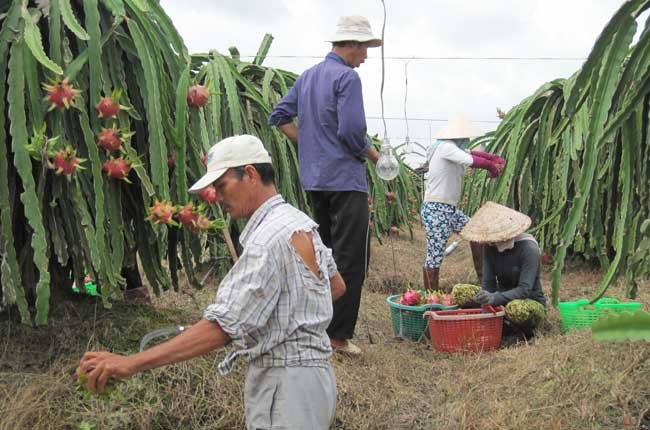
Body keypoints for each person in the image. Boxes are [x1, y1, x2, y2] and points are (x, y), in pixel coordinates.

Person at [78, 135, 347, 430]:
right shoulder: (299, 222)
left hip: (286, 388)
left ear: (252, 174)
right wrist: (274, 316)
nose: (217, 196)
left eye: (222, 186)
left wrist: (130, 363)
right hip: (317, 381)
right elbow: (335, 286)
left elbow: (222, 328)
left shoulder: (267, 241)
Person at [268, 15, 382, 355]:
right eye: (365, 49)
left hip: (315, 180)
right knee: (350, 258)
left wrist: (309, 144)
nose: (366, 57)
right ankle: (338, 335)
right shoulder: (347, 78)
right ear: (353, 45)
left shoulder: (307, 77)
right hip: (345, 181)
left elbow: (279, 116)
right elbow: (351, 133)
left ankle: (316, 326)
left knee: (323, 255)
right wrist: (376, 157)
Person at [420, 115, 505, 291]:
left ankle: (484, 283)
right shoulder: (445, 147)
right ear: (458, 136)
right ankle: (431, 298)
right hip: (436, 209)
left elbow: (474, 154)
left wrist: (494, 158)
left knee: (476, 235)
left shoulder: (451, 148)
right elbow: (471, 160)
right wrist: (491, 166)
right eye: (465, 138)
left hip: (449, 209)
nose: (467, 141)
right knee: (434, 257)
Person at [460, 201, 547, 334]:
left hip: (528, 300)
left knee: (516, 309)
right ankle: (500, 324)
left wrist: (494, 299)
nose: (490, 243)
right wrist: (485, 305)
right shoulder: (490, 247)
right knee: (460, 291)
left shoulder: (529, 249)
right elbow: (488, 283)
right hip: (500, 298)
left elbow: (525, 290)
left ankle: (524, 330)